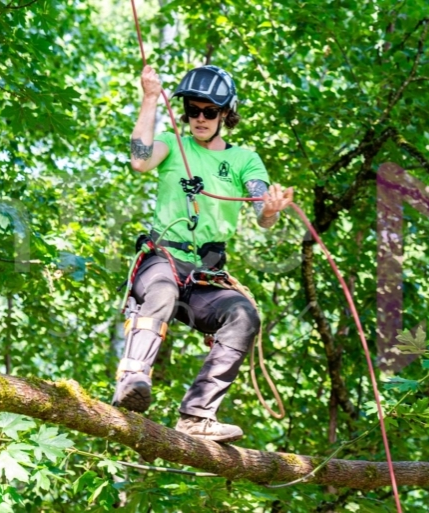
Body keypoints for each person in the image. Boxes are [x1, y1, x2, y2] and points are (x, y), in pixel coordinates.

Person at [112, 64, 294, 443]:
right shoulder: (173, 143)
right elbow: (139, 159)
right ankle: (132, 379)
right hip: (163, 259)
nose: (199, 118)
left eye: (209, 111)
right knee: (161, 291)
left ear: (226, 113)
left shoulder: (244, 159)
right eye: (193, 110)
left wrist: (272, 208)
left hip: (205, 277)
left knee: (243, 315)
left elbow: (262, 210)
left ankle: (197, 415)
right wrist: (149, 98)